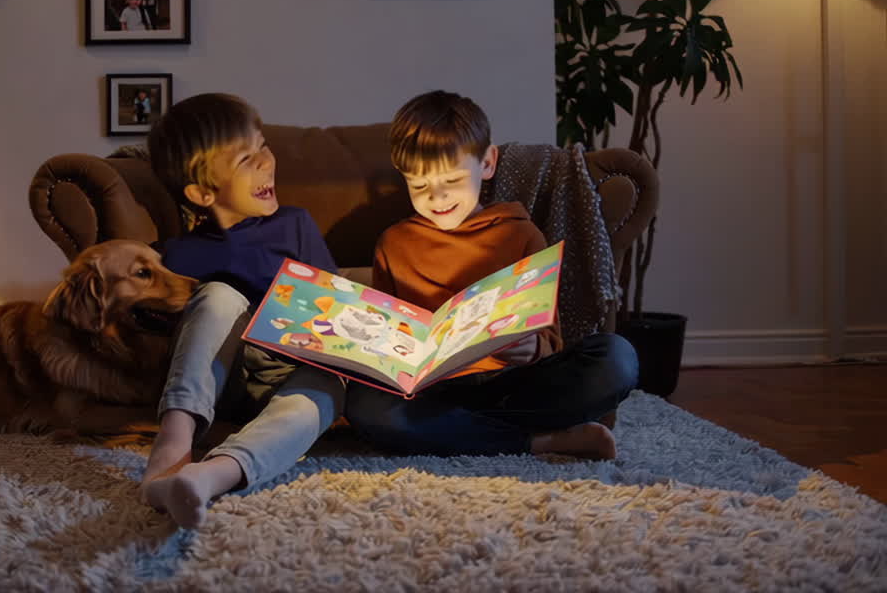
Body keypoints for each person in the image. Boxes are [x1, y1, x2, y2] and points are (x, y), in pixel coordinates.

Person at [343, 90, 639, 459]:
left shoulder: (521, 234)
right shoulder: (393, 243)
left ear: (487, 163)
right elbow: (389, 338)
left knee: (616, 359)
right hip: (432, 393)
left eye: (452, 180)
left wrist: (533, 348)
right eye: (419, 186)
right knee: (365, 406)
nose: (437, 197)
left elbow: (550, 338)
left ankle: (457, 431)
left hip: (510, 385)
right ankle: (538, 441)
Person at [139, 93, 347, 529]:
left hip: (286, 373)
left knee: (328, 386)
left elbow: (334, 304)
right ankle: (173, 445)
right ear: (202, 192)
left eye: (263, 146)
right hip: (222, 378)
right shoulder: (178, 255)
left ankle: (212, 475)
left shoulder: (295, 225)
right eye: (246, 160)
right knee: (219, 296)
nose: (266, 162)